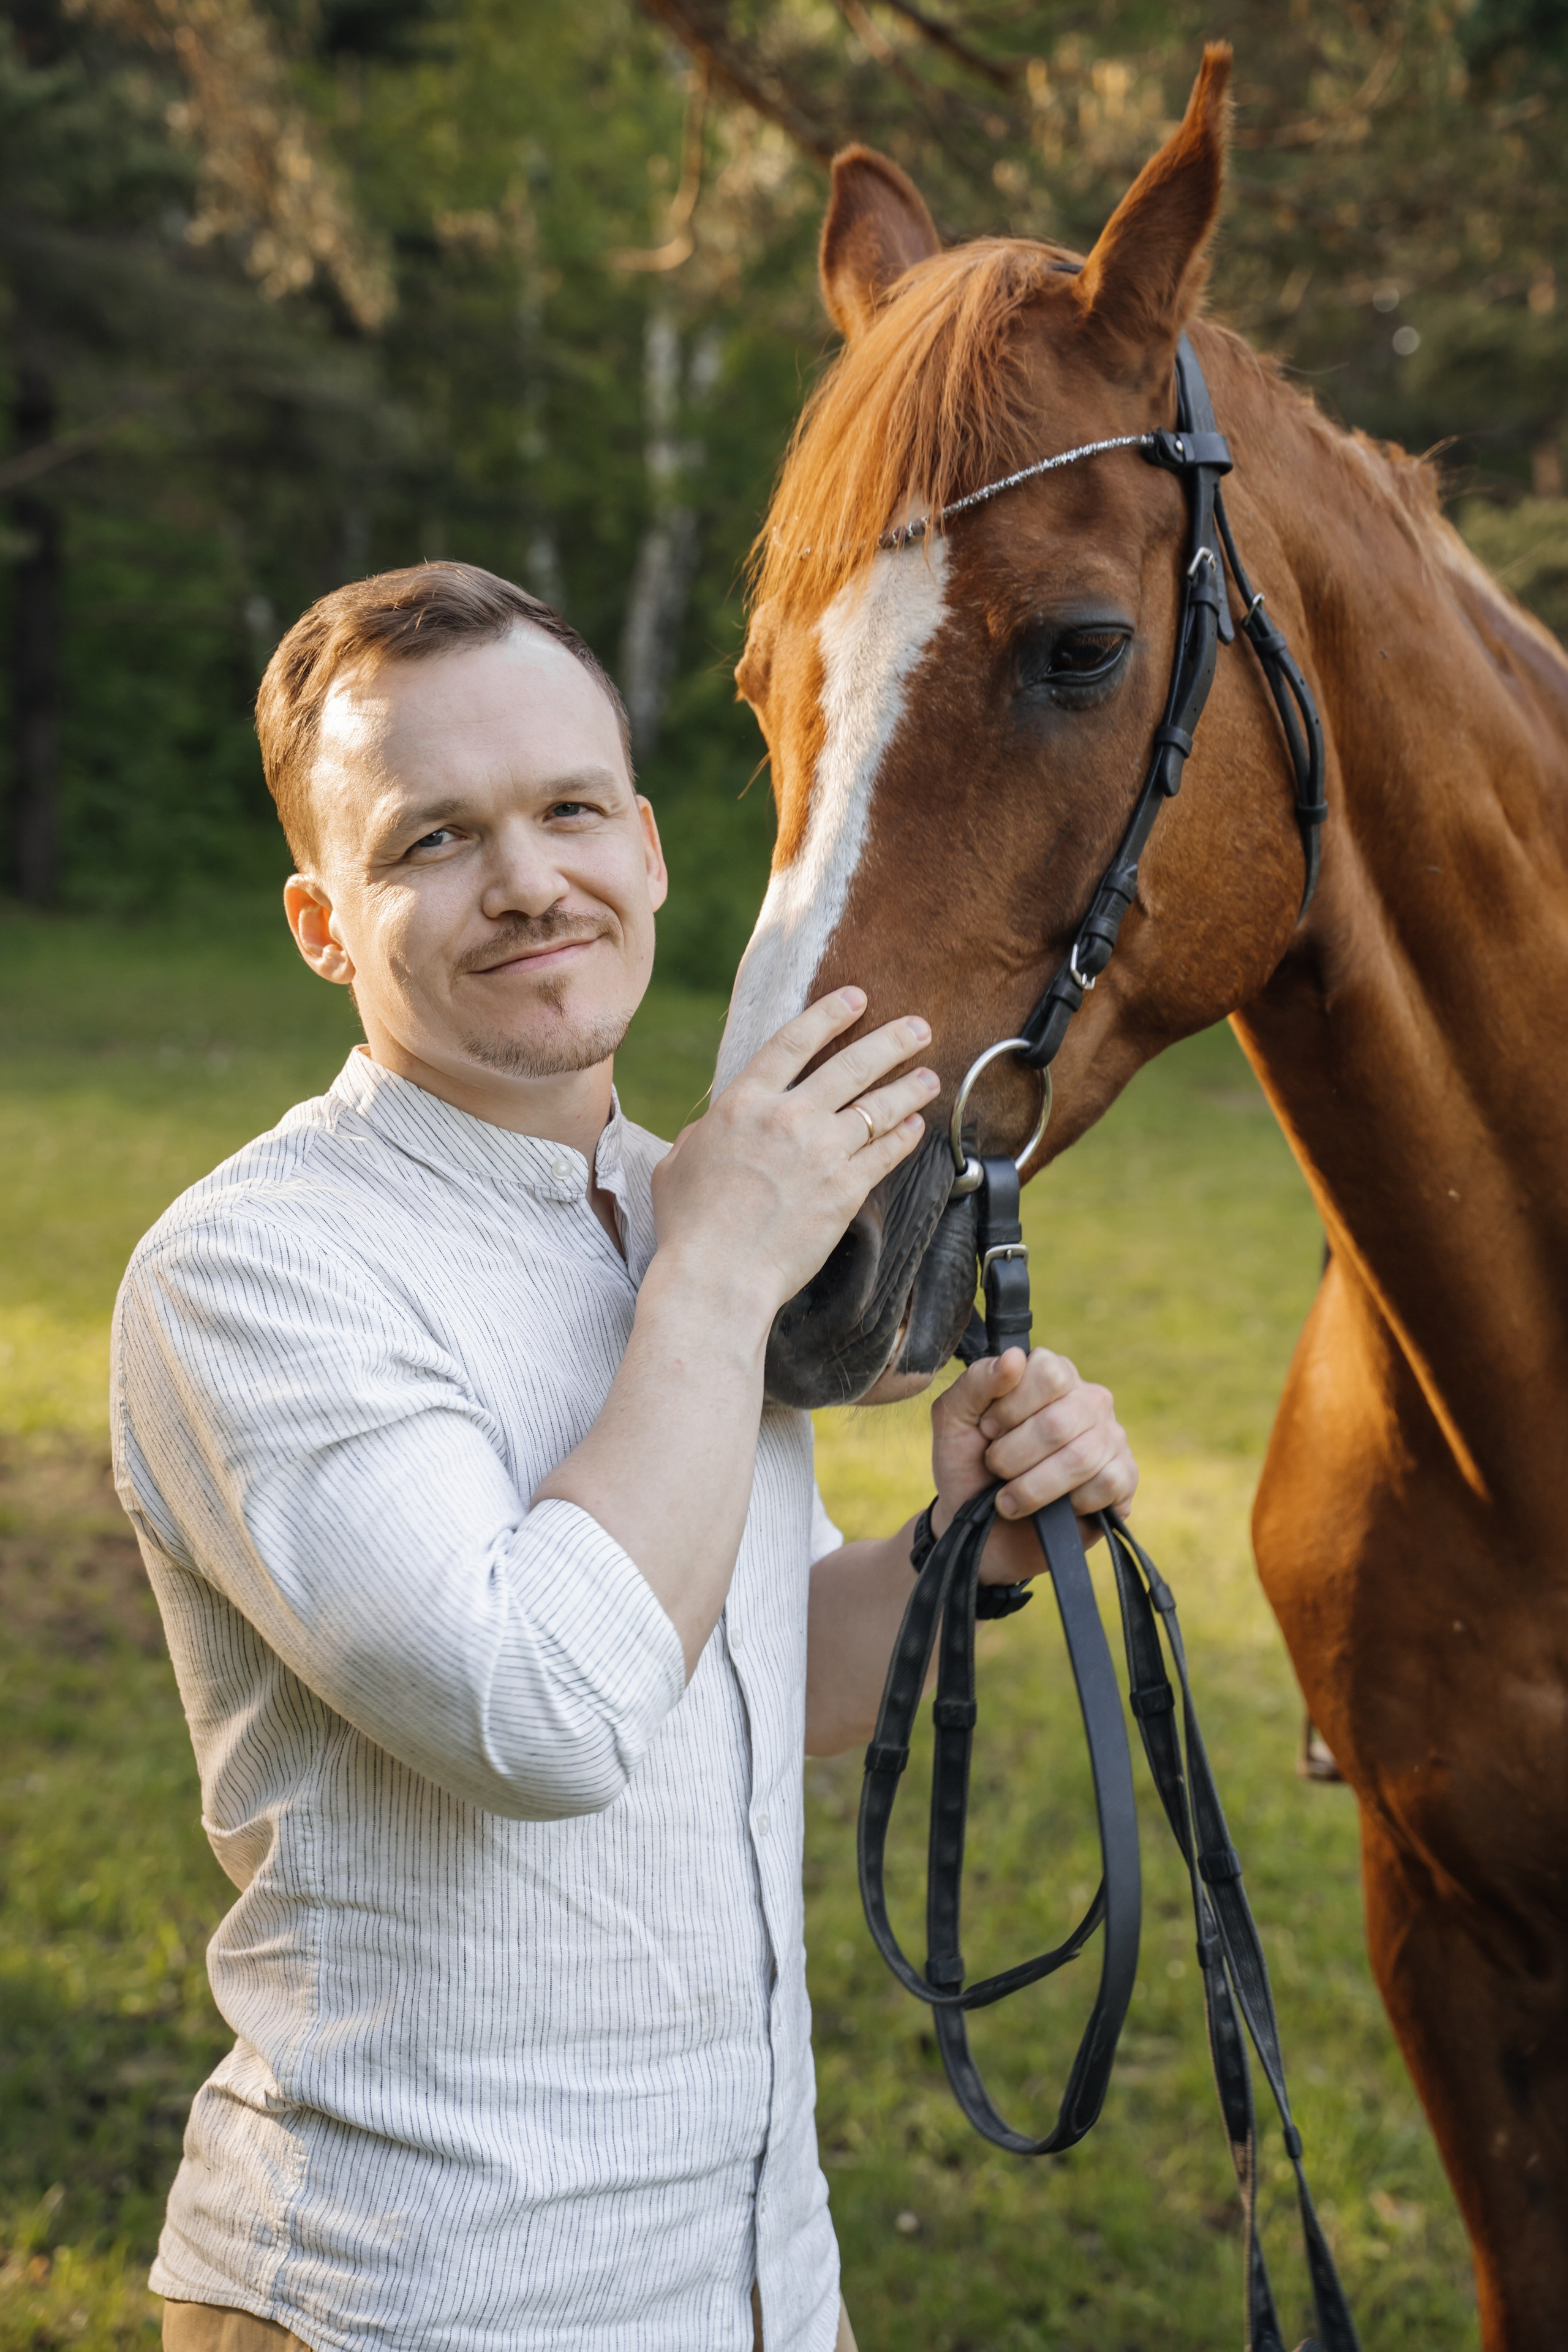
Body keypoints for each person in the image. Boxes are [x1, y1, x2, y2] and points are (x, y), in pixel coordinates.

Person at [113, 561, 1138, 2352]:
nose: (527, 883)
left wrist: (953, 1552)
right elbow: (548, 1709)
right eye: (432, 840)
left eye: (568, 810)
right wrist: (725, 1274)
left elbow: (727, 1681)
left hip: (755, 2284)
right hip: (421, 2301)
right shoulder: (254, 1273)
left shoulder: (672, 1214)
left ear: (651, 849)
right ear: (321, 922)